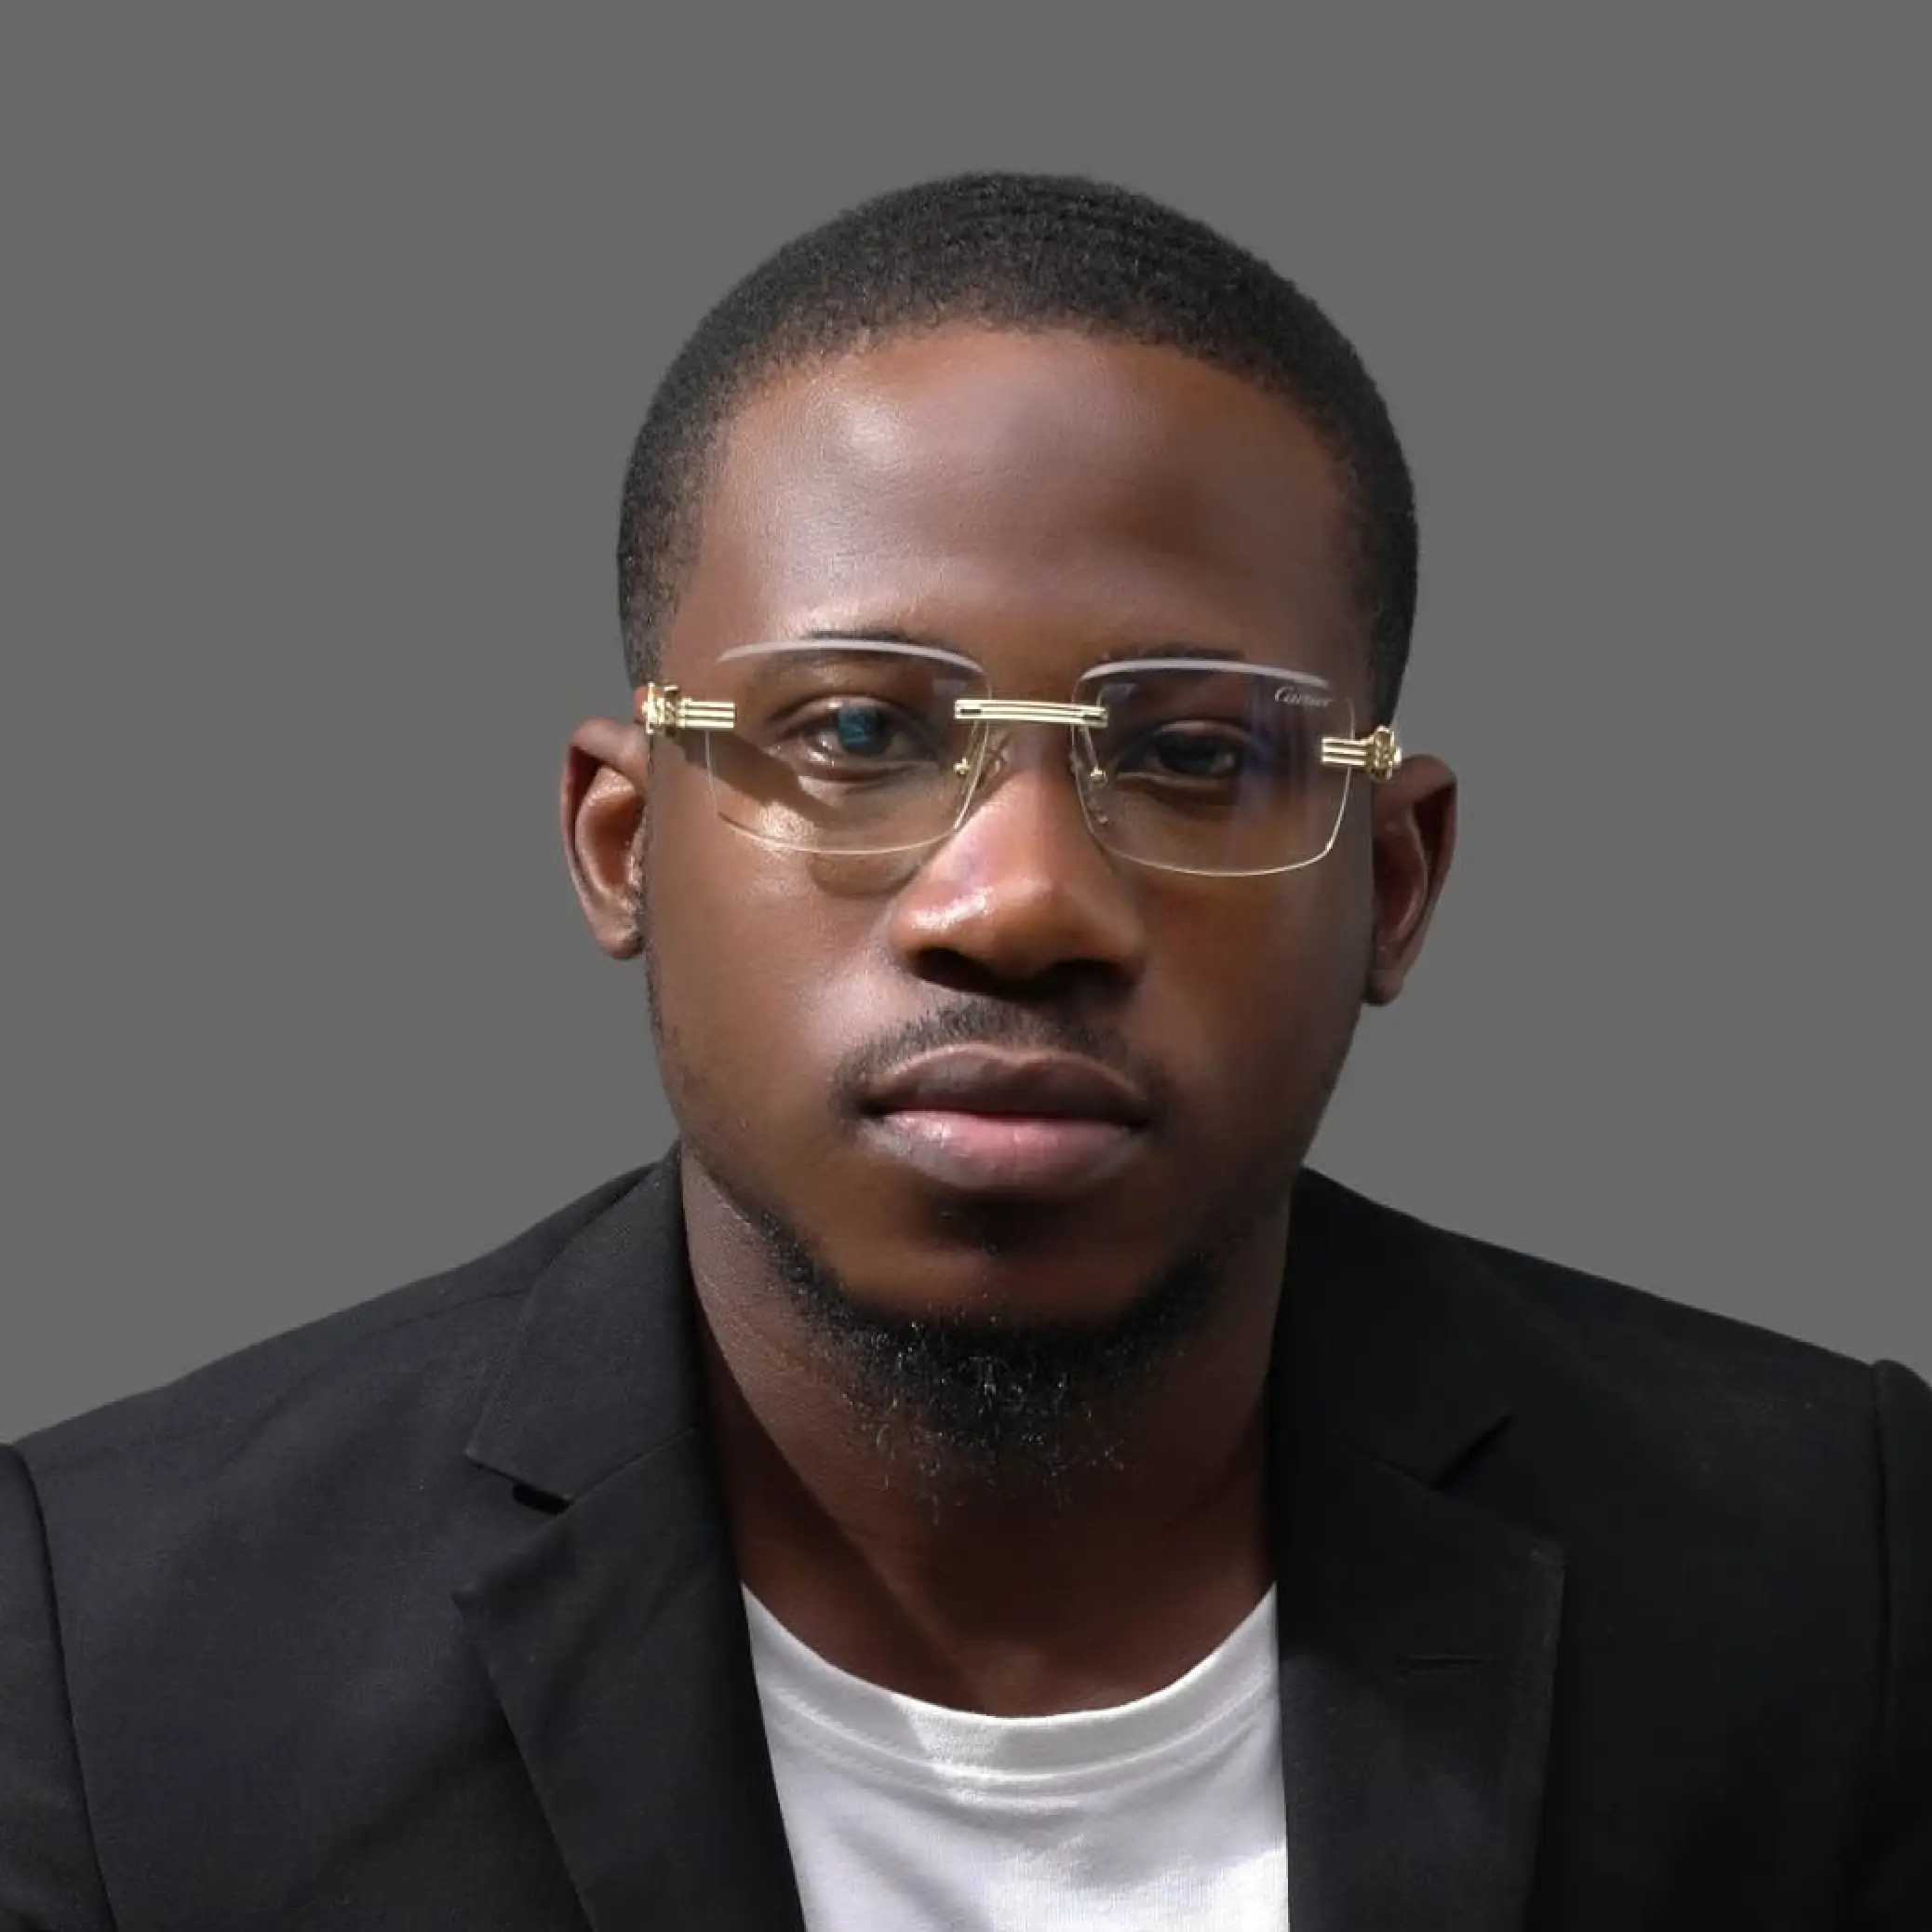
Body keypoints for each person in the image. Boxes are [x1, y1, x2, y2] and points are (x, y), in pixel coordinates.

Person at [2, 171, 1925, 1931]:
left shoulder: (1838, 1587)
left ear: (1394, 882)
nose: (1018, 905)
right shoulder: (115, 1652)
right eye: (852, 734)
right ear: (622, 843)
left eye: (1194, 752)